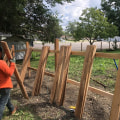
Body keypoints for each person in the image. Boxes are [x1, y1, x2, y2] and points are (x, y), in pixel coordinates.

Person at [0, 46, 16, 120]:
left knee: (6, 98)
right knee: (2, 103)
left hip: (1, 86)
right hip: (5, 86)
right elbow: (9, 73)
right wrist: (12, 64)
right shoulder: (1, 63)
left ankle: (12, 109)